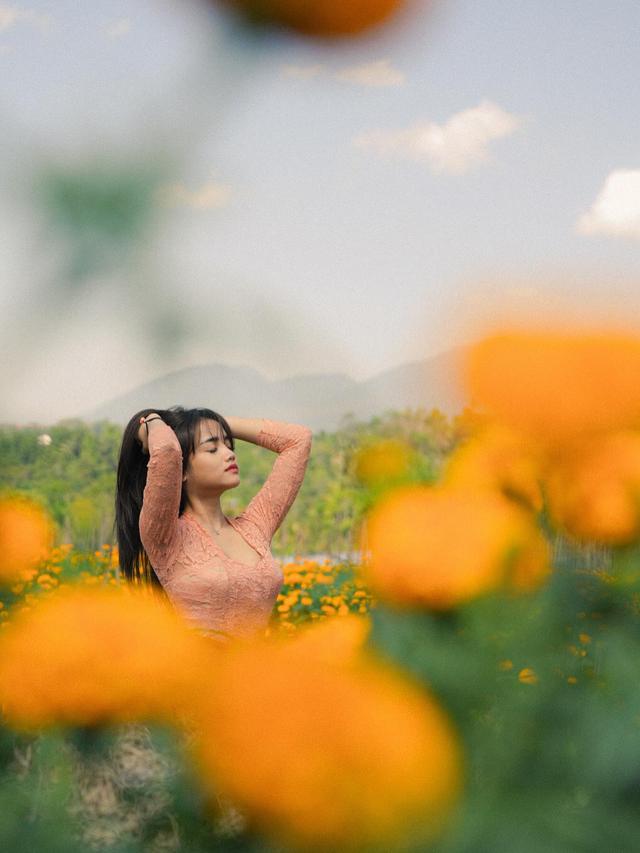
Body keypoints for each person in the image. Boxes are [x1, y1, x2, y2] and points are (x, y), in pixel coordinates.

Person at [114, 406, 313, 647]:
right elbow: (166, 449)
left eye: (229, 445)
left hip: (254, 677)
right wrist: (153, 421)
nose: (229, 454)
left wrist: (215, 424)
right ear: (182, 470)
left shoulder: (255, 528)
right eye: (212, 448)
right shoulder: (165, 535)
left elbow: (298, 440)